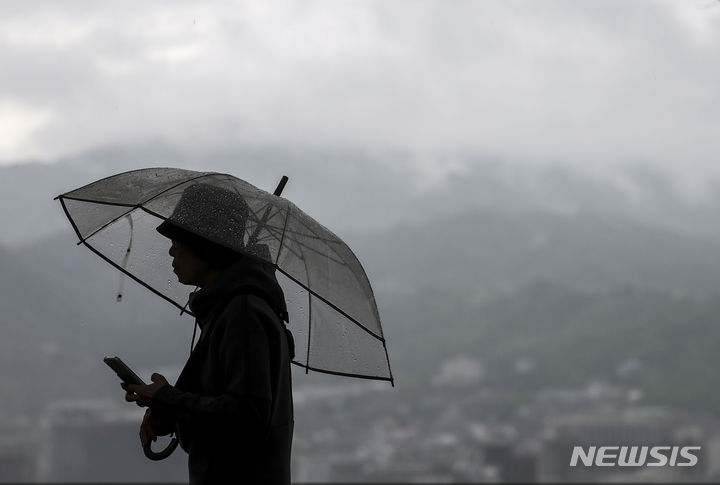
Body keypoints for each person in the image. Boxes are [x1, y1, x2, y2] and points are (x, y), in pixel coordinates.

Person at [123, 184, 294, 485]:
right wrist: (168, 408)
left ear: (204, 244)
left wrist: (169, 398)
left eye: (179, 240)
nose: (171, 250)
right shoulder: (232, 307)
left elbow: (248, 414)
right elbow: (225, 407)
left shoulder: (243, 312)